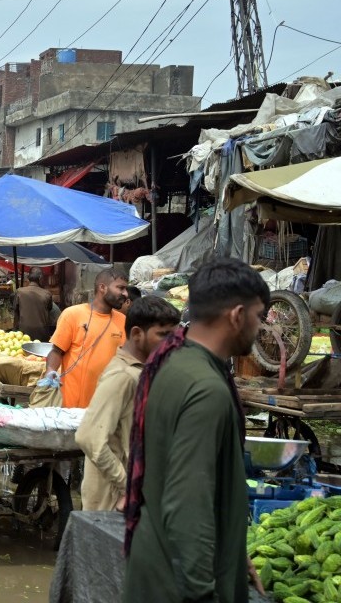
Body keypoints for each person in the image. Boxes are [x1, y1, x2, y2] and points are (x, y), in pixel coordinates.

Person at [123, 258, 269, 602]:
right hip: (176, 583)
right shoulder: (207, 390)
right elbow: (187, 502)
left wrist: (231, 555)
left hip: (159, 563)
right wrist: (203, 589)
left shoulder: (171, 362)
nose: (260, 327)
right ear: (236, 315)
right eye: (259, 316)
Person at [74, 296, 180, 512]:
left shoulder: (140, 371)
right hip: (112, 503)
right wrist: (127, 485)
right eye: (163, 335)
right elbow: (89, 438)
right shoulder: (122, 376)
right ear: (137, 334)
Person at [43, 268, 128, 409]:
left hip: (105, 408)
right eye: (120, 288)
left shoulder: (123, 321)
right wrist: (50, 370)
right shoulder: (72, 315)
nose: (125, 294)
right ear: (102, 287)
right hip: (72, 408)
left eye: (126, 289)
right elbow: (57, 351)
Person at [15, 268, 56, 342]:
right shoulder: (47, 294)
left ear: (28, 278)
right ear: (40, 278)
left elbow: (16, 311)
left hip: (23, 332)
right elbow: (49, 309)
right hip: (41, 333)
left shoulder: (19, 292)